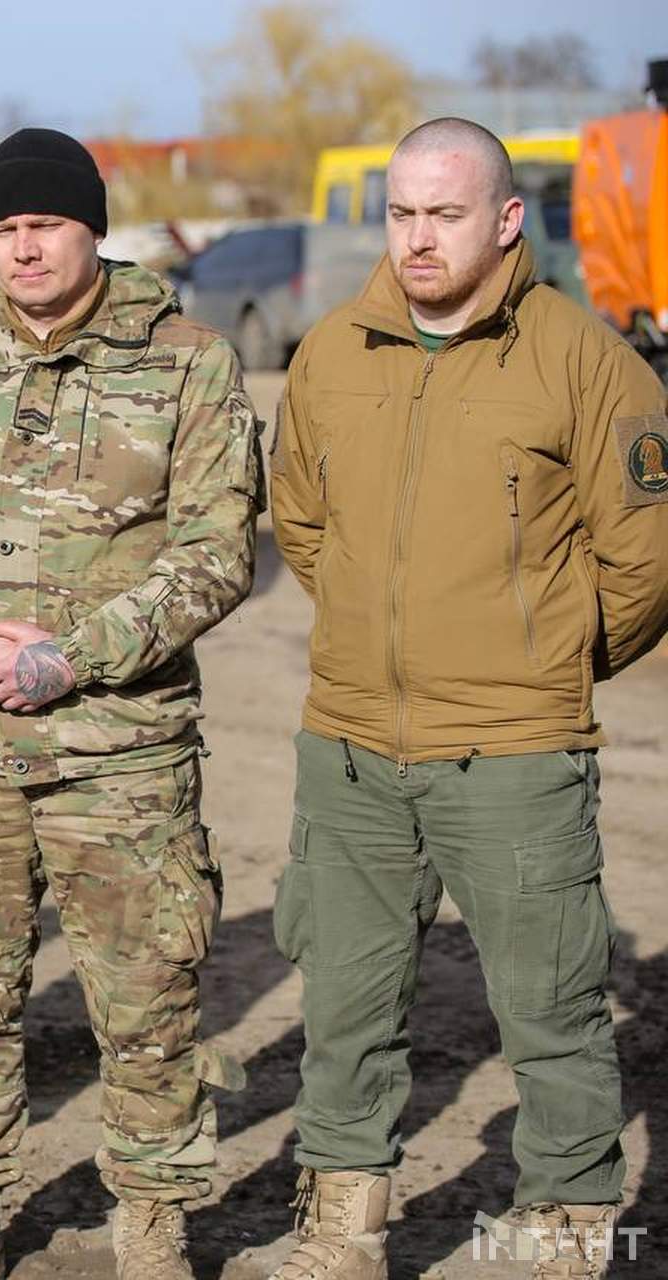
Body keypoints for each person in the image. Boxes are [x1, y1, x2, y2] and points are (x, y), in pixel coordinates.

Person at [0, 128, 262, 1280]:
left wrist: (72, 657)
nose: (25, 248)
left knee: (147, 997)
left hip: (120, 752)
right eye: (7, 229)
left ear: (93, 229)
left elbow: (218, 553)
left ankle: (150, 1216)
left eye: (47, 225)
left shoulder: (189, 364)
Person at [267, 117, 668, 1280]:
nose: (417, 238)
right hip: (347, 746)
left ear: (504, 220)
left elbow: (645, 559)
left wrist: (543, 658)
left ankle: (566, 1222)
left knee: (551, 1005)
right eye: (400, 213)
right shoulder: (332, 350)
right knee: (344, 1002)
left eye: (444, 214)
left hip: (514, 750)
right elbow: (300, 520)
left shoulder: (586, 362)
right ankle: (344, 1224)